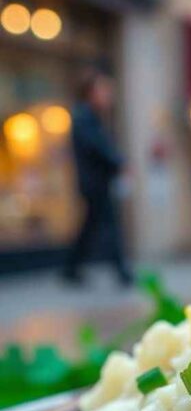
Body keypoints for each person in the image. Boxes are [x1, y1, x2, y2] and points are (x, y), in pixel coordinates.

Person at [63, 68, 132, 285]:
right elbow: (98, 146)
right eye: (103, 90)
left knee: (91, 227)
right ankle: (122, 272)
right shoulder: (84, 117)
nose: (108, 96)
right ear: (91, 92)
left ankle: (71, 269)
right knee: (109, 225)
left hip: (96, 181)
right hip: (95, 183)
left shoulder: (89, 116)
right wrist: (119, 162)